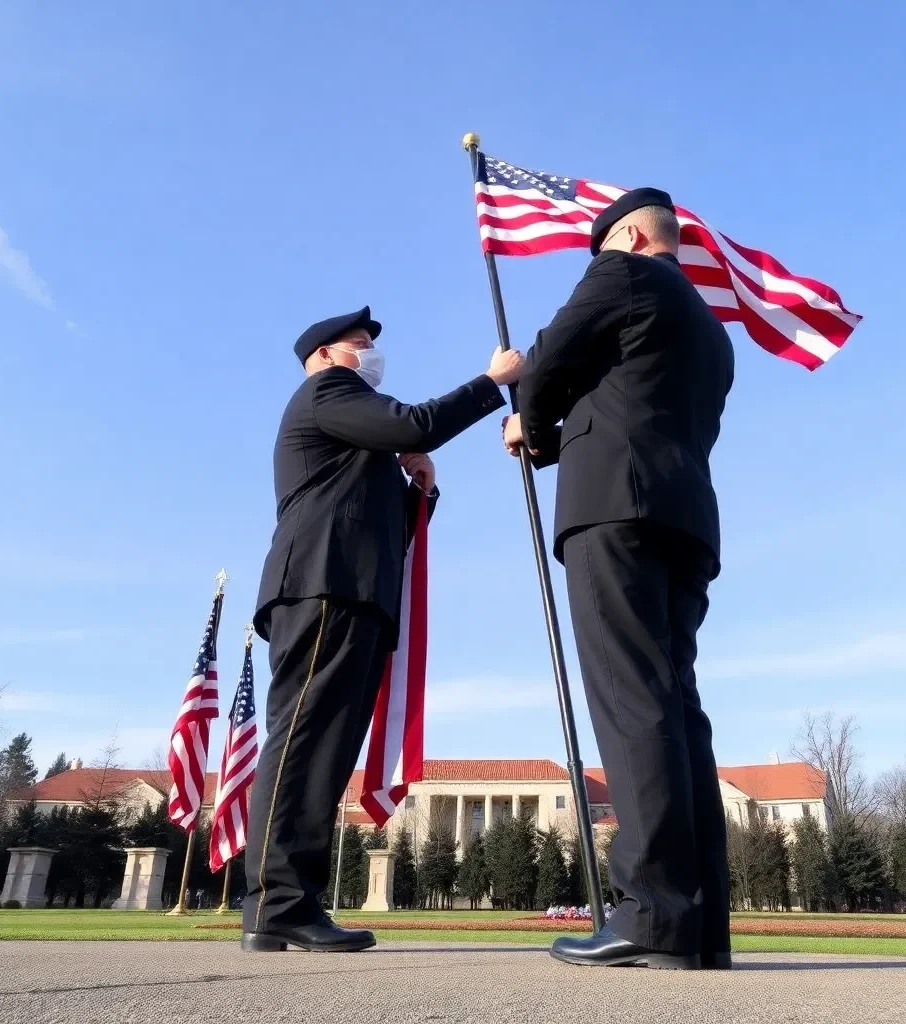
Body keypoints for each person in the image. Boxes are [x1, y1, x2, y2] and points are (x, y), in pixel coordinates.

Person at [502, 189, 735, 970]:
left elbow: (549, 362)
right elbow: (634, 397)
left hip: (614, 511)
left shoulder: (623, 274)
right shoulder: (709, 326)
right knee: (675, 709)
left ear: (629, 235)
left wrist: (533, 433)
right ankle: (697, 928)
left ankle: (649, 914)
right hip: (684, 518)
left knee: (631, 700)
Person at [243, 305, 523, 952]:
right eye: (358, 344)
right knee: (303, 742)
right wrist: (489, 384)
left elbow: (374, 516)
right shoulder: (326, 392)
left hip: (356, 590)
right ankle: (272, 902)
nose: (369, 354)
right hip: (321, 584)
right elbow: (414, 423)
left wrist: (417, 492)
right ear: (322, 356)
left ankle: (292, 902)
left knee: (326, 751)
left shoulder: (350, 435)